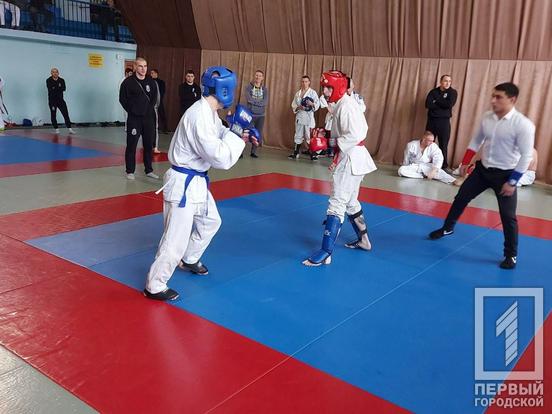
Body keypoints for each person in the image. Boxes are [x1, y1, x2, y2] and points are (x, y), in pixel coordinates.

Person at [143, 66, 257, 301]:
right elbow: (220, 158)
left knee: (211, 221)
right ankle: (155, 285)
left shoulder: (209, 112)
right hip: (183, 183)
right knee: (175, 239)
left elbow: (220, 134)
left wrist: (242, 133)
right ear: (224, 90)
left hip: (197, 181)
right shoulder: (198, 115)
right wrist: (237, 135)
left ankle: (189, 258)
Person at [429, 82, 535, 270]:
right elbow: (477, 140)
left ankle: (511, 254)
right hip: (483, 170)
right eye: (493, 96)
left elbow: (527, 156)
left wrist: (512, 181)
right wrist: (464, 162)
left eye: (498, 97)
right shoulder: (487, 117)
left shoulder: (523, 125)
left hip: (505, 175)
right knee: (461, 198)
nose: (493, 100)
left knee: (508, 216)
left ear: (512, 99)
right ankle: (447, 228)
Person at [303, 70, 377, 266]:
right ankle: (364, 241)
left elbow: (357, 134)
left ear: (339, 88)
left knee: (337, 203)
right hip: (353, 157)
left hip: (350, 159)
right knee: (350, 202)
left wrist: (329, 143)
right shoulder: (342, 103)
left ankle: (326, 252)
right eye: (324, 88)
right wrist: (326, 135)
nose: (325, 92)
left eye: (329, 88)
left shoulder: (347, 106)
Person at [119, 57, 159, 180]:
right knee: (132, 145)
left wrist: (148, 110)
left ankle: (149, 170)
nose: (143, 69)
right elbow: (122, 99)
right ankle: (130, 171)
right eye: (140, 66)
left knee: (148, 145)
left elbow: (154, 98)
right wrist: (132, 111)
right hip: (134, 119)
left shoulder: (151, 81)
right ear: (135, 67)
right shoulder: (128, 82)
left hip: (148, 119)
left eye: (145, 66)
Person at [425, 74, 458, 170]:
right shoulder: (433, 92)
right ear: (441, 82)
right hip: (431, 121)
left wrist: (436, 100)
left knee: (443, 145)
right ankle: (426, 163)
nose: (448, 83)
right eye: (445, 81)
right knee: (428, 143)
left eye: (449, 81)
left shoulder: (452, 92)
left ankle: (443, 166)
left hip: (444, 122)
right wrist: (442, 103)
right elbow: (428, 104)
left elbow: (449, 104)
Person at [289, 75, 320, 160]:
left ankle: (312, 154)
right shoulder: (298, 93)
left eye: (306, 81)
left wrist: (312, 104)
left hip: (308, 118)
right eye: (303, 81)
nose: (304, 83)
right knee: (298, 135)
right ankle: (296, 153)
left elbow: (317, 104)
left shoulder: (312, 93)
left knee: (309, 136)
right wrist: (298, 107)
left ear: (309, 82)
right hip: (300, 116)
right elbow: (294, 105)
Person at [243, 69, 268, 158]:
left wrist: (255, 102)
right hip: (250, 114)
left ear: (262, 78)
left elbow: (265, 102)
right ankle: (240, 152)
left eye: (260, 76)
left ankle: (253, 152)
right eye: (256, 75)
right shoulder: (248, 87)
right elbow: (249, 99)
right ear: (254, 76)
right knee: (246, 133)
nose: (258, 77)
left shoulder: (264, 89)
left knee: (257, 134)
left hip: (261, 115)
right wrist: (258, 102)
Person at [46, 68, 75, 134]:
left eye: (56, 72)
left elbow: (63, 88)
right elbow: (50, 89)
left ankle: (70, 129)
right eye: (53, 72)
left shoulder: (61, 80)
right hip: (52, 101)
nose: (55, 73)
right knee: (53, 115)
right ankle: (56, 129)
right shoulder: (48, 80)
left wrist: (55, 87)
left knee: (66, 114)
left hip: (60, 100)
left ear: (58, 73)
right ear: (51, 73)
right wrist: (58, 87)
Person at [150, 68, 167, 153]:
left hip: (158, 103)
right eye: (151, 73)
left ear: (156, 73)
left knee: (161, 115)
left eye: (153, 73)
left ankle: (165, 129)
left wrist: (157, 103)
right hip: (150, 106)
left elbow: (161, 93)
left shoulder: (160, 82)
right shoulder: (149, 82)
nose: (151, 74)